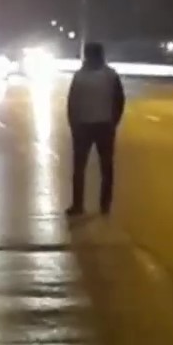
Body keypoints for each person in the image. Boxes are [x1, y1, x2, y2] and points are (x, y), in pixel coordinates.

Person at [66, 41, 125, 218]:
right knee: (102, 169)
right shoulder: (109, 75)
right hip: (98, 126)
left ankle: (84, 205)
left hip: (91, 126)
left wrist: (74, 123)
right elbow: (119, 101)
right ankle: (101, 206)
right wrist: (113, 121)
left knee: (86, 168)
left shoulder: (83, 76)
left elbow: (71, 102)